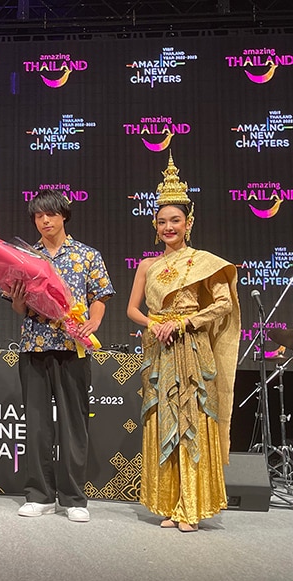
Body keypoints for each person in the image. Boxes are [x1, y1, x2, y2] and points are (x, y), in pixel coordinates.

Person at [127, 154, 240, 532]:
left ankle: (191, 507)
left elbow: (223, 304)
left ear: (188, 223)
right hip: (159, 352)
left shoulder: (204, 263)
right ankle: (169, 502)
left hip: (192, 349)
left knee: (193, 419)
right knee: (163, 421)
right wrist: (156, 323)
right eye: (162, 222)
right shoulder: (147, 265)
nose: (168, 227)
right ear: (155, 226)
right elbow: (132, 310)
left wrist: (185, 321)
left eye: (175, 220)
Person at [9, 189, 114, 522]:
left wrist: (93, 322)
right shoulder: (25, 258)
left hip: (73, 348)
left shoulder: (87, 255)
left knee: (74, 424)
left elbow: (100, 295)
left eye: (51, 214)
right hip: (35, 345)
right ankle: (39, 495)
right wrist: (18, 299)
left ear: (64, 216)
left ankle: (73, 498)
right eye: (39, 216)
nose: (45, 221)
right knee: (37, 425)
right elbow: (19, 307)